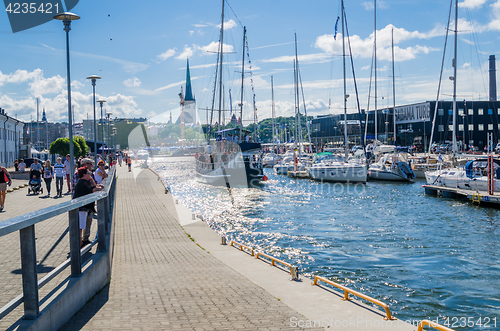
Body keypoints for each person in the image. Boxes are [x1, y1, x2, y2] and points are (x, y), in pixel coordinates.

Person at [72, 167, 100, 247]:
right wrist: (99, 188)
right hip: (81, 208)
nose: (90, 174)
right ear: (84, 175)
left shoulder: (84, 181)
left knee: (81, 225)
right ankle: (79, 243)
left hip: (83, 207)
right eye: (88, 173)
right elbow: (94, 189)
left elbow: (93, 187)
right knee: (80, 226)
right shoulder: (83, 182)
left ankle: (80, 242)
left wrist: (91, 179)